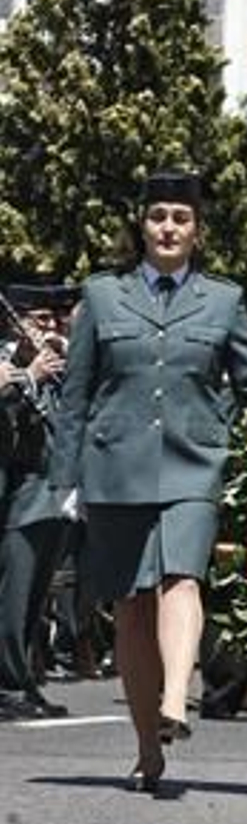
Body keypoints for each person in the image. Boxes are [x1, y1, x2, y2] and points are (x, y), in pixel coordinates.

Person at [50, 171, 247, 792]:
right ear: (142, 227)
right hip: (115, 464)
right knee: (129, 609)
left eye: (181, 218)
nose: (169, 228)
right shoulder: (102, 297)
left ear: (197, 231)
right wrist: (63, 478)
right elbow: (75, 396)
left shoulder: (223, 301)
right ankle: (148, 743)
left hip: (193, 462)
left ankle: (177, 697)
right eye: (159, 218)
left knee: (183, 576)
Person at [0, 283, 75, 721]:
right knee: (14, 594)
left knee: (33, 598)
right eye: (38, 319)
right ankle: (8, 682)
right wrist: (30, 374)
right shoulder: (10, 361)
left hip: (55, 494)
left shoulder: (57, 362)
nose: (47, 327)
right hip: (21, 496)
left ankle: (23, 680)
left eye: (52, 320)